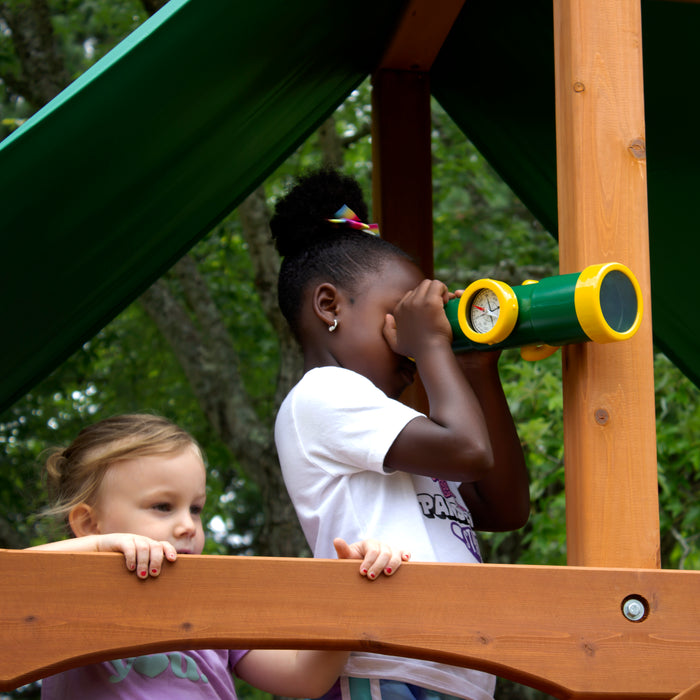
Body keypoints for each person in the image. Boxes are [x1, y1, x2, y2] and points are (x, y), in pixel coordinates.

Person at [271, 168, 530, 700]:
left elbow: (503, 508)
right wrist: (435, 348)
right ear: (329, 306)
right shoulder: (323, 395)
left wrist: (477, 370)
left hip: (450, 667)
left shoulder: (384, 425)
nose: (412, 342)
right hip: (383, 664)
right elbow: (469, 452)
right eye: (399, 319)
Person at [29, 413, 409, 699]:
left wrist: (352, 594)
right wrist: (97, 551)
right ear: (88, 524)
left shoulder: (212, 606)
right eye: (163, 507)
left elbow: (302, 677)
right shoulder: (69, 600)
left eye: (195, 509)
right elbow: (13, 580)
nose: (187, 526)